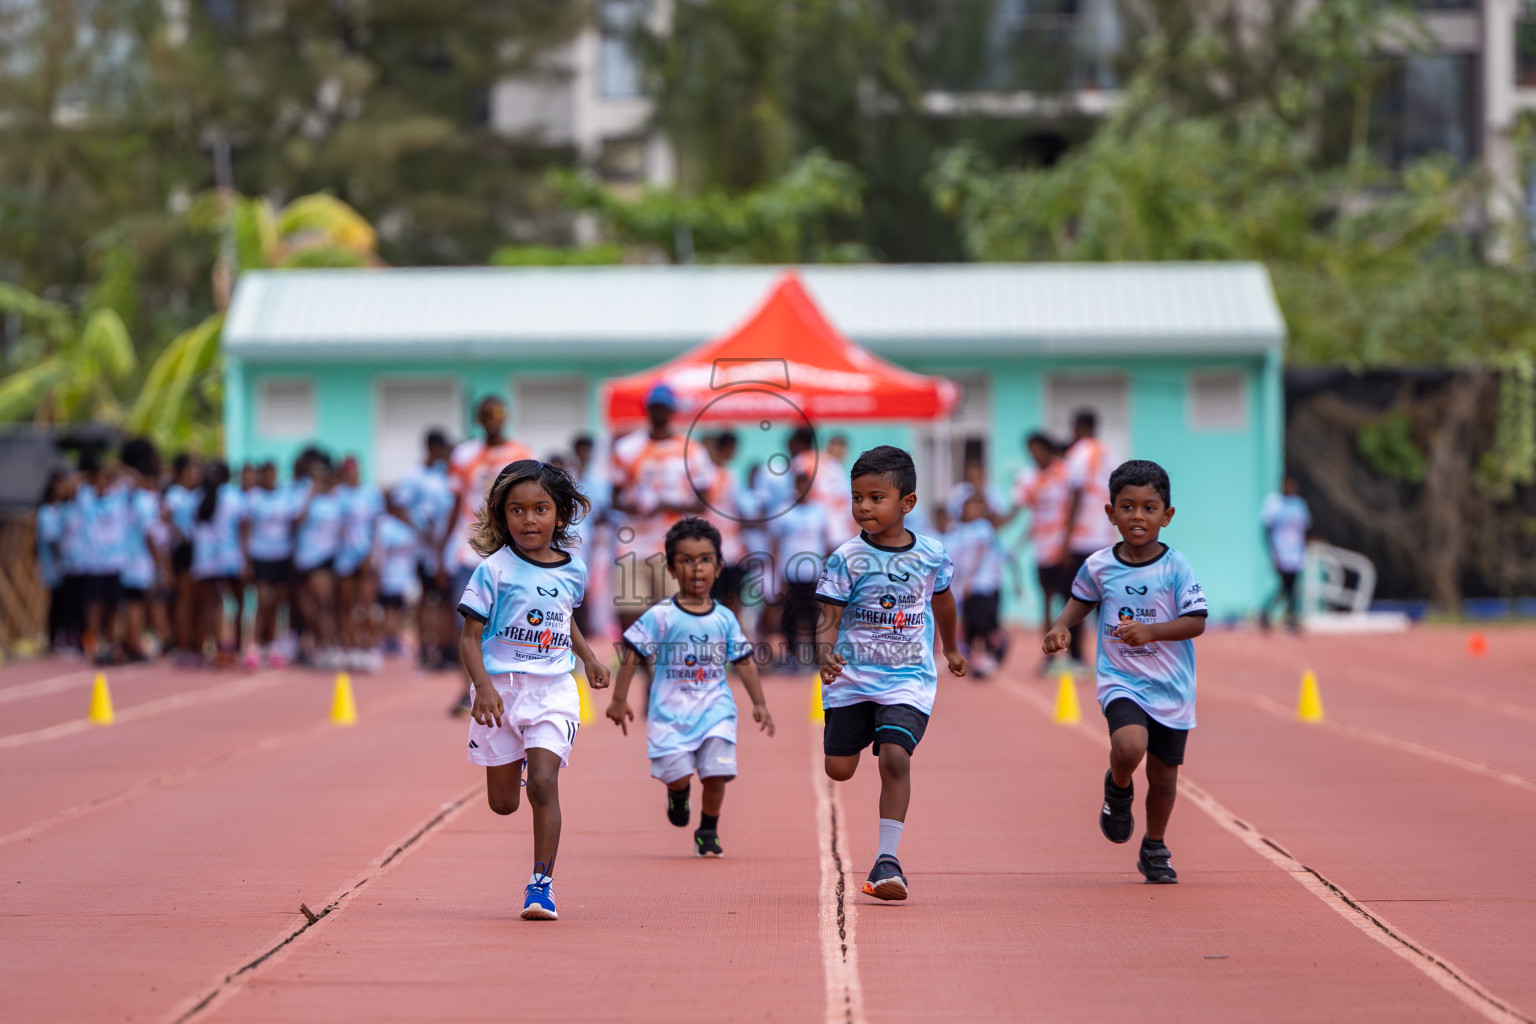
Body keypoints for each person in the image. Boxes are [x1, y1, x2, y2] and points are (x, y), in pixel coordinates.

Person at [1042, 459, 1207, 885]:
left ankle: (1154, 846)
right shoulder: (1099, 565)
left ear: (1166, 516)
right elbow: (1082, 599)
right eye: (1128, 507)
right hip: (1123, 680)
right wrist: (1061, 626)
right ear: (1110, 513)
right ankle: (1118, 786)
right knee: (1129, 746)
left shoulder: (1176, 567)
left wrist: (1151, 630)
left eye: (1149, 508)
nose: (1138, 516)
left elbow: (1196, 622)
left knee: (1164, 777)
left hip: (1172, 686)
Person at [458, 460, 610, 921]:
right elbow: (468, 636)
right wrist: (482, 686)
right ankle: (520, 755)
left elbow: (565, 617)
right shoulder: (492, 570)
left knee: (544, 785)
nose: (529, 519)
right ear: (502, 517)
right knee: (504, 804)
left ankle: (541, 885)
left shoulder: (573, 570)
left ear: (560, 516)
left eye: (540, 509)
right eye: (517, 510)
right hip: (499, 693)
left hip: (552, 690)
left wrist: (588, 658)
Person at [815, 446, 967, 902]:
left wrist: (954, 648)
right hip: (852, 679)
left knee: (895, 757)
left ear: (908, 503)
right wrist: (825, 653)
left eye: (876, 497)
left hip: (909, 679)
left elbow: (942, 601)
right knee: (839, 770)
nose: (864, 507)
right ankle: (858, 732)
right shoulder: (847, 557)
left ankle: (887, 862)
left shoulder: (932, 554)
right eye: (857, 497)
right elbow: (828, 613)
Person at [606, 517, 774, 857]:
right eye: (686, 561)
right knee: (679, 775)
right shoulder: (661, 615)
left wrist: (759, 703)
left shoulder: (725, 618)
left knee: (717, 774)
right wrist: (619, 699)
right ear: (671, 569)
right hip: (670, 714)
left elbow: (742, 659)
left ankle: (708, 829)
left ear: (718, 566)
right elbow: (632, 653)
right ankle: (678, 793)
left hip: (716, 710)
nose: (696, 569)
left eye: (705, 560)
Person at [444, 396, 534, 712]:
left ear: (505, 417)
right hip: (467, 550)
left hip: (508, 552)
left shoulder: (521, 454)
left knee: (508, 623)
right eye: (486, 414)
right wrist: (443, 546)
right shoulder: (464, 455)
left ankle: (510, 689)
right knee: (466, 625)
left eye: (498, 413)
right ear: (478, 419)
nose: (493, 419)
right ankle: (467, 689)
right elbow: (455, 504)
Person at [1008, 433, 1071, 666]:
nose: (1033, 455)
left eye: (1036, 449)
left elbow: (1075, 506)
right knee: (1046, 600)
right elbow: (1016, 511)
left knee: (1070, 602)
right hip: (1042, 550)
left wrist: (1069, 542)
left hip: (1064, 548)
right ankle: (1049, 653)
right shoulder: (1028, 477)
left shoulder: (1065, 473)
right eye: (1030, 451)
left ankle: (1073, 653)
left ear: (1047, 449)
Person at [1060, 410, 1115, 665]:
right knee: (1105, 600)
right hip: (1105, 537)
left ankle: (1077, 656)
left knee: (1079, 597)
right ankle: (1113, 656)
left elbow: (1076, 494)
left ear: (1079, 427)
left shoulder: (1078, 453)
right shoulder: (1109, 452)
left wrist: (1066, 537)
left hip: (1082, 537)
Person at [771, 469, 836, 670]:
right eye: (799, 486)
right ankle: (791, 656)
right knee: (791, 615)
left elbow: (826, 542)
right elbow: (776, 543)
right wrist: (777, 574)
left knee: (815, 616)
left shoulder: (820, 511)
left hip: (814, 572)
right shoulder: (784, 511)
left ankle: (818, 658)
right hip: (790, 573)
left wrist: (828, 573)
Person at [189, 460, 248, 666]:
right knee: (235, 603)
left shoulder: (197, 496)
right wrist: (246, 559)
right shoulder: (234, 496)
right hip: (229, 557)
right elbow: (243, 528)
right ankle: (233, 647)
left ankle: (212, 647)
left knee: (210, 606)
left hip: (205, 559)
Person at [246, 461, 298, 668]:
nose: (270, 478)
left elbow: (295, 523)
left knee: (276, 604)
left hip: (281, 555)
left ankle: (272, 643)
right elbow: (246, 528)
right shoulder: (253, 497)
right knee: (261, 601)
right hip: (260, 554)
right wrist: (246, 559)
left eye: (273, 474)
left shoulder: (285, 497)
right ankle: (255, 644)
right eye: (266, 474)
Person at [293, 454, 344, 667]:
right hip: (303, 558)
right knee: (308, 607)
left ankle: (329, 646)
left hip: (324, 558)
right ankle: (317, 646)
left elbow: (341, 530)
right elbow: (296, 521)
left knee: (324, 604)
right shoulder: (303, 495)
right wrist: (310, 495)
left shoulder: (335, 500)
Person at [950, 494, 1007, 678]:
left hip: (984, 584)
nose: (970, 510)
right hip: (968, 586)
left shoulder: (983, 528)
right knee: (970, 625)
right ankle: (978, 656)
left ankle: (986, 655)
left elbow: (979, 555)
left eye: (975, 506)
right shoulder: (959, 530)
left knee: (982, 624)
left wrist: (969, 580)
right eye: (968, 506)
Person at [164, 455, 203, 665]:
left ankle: (196, 643)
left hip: (200, 550)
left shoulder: (198, 494)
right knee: (184, 600)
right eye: (191, 470)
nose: (196, 475)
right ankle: (182, 645)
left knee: (198, 600)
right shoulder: (175, 495)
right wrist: (179, 533)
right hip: (183, 550)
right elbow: (164, 518)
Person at [1260, 477, 1310, 632]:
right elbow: (1266, 530)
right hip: (1281, 553)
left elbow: (1304, 529)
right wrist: (1273, 552)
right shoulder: (1274, 503)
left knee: (1291, 587)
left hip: (1296, 554)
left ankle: (1284, 616)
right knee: (1284, 586)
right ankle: (1274, 613)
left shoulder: (1300, 504)